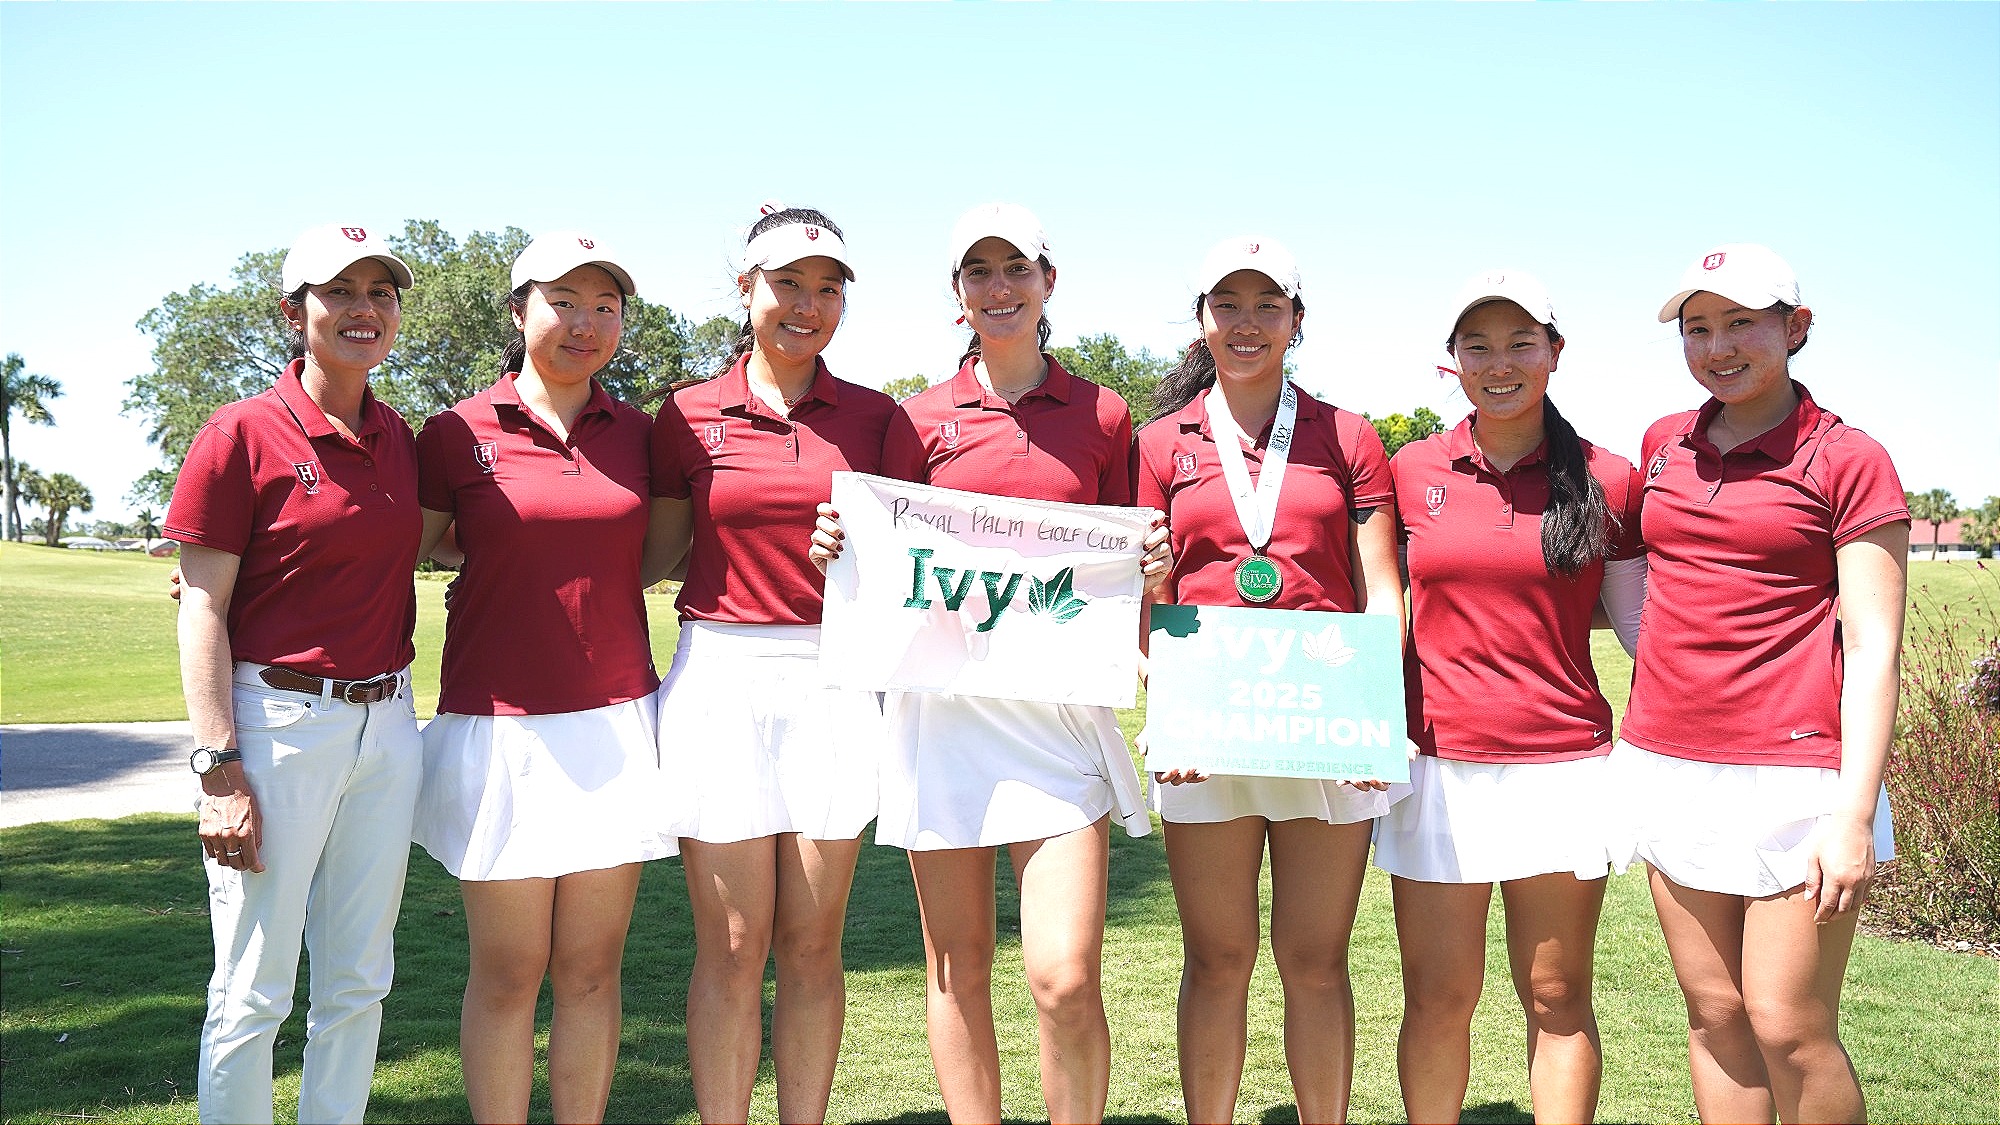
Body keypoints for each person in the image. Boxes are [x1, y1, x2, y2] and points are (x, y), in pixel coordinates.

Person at [814, 202, 1168, 1125]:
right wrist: (839, 543)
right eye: (979, 272)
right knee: (954, 963)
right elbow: (885, 559)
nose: (999, 287)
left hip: (1057, 724)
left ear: (1049, 281)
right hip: (944, 718)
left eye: (1017, 268)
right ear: (958, 292)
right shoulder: (917, 417)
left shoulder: (1103, 413)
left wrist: (1150, 564)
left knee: (1062, 975)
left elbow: (1128, 562)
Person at [1614, 243, 1908, 1123]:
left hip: (1800, 775)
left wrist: (1852, 814)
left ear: (1796, 328)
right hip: (1668, 760)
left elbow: (1874, 645)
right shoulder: (1664, 443)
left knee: (1787, 1023)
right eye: (1698, 328)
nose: (1717, 345)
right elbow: (1633, 577)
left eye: (1741, 321)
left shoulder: (1849, 458)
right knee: (1715, 1014)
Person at [1135, 237, 1403, 1124]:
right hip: (1206, 729)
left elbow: (1380, 588)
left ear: (1296, 320)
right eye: (1228, 304)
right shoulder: (1159, 441)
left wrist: (1374, 717)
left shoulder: (1351, 435)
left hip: (1323, 722)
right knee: (1216, 958)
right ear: (1202, 319)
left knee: (1316, 960)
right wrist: (1166, 714)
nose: (1247, 323)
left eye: (1267, 305)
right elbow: (1150, 595)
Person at [410, 232, 674, 1124]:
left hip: (612, 717)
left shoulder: (640, 433)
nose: (585, 323)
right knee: (509, 971)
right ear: (519, 309)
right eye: (564, 300)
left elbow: (659, 554)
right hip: (500, 725)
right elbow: (390, 547)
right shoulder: (454, 432)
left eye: (606, 306)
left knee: (593, 969)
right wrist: (237, 573)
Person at [1373, 270, 1646, 1124]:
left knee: (1557, 995)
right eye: (1477, 346)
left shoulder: (1610, 477)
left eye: (1520, 342)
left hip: (1564, 766)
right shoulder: (1410, 469)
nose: (1499, 363)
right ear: (1451, 363)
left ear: (1555, 353)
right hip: (1437, 765)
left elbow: (1643, 629)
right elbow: (1372, 603)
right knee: (1438, 997)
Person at [647, 205, 899, 1125]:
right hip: (718, 671)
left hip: (834, 678)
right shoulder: (685, 414)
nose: (808, 304)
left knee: (811, 943)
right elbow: (653, 555)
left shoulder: (878, 420)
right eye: (788, 283)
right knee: (733, 943)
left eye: (828, 288)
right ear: (745, 289)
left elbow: (914, 565)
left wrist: (863, 551)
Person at [166, 223, 422, 1125]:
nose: (363, 309)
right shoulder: (239, 433)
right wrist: (217, 768)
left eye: (380, 293)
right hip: (276, 726)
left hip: (389, 724)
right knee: (254, 983)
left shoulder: (400, 438)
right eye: (339, 292)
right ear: (294, 310)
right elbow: (200, 605)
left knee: (359, 978)